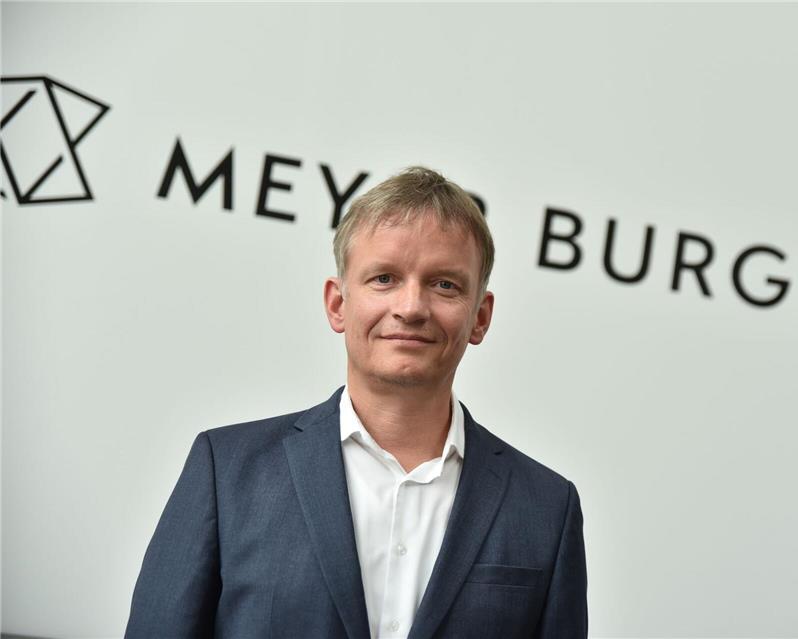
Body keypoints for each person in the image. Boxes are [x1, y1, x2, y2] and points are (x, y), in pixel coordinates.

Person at [125, 167, 587, 639]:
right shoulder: (228, 471)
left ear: (480, 317)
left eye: (444, 284)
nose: (411, 307)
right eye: (384, 278)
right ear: (338, 304)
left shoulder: (547, 510)